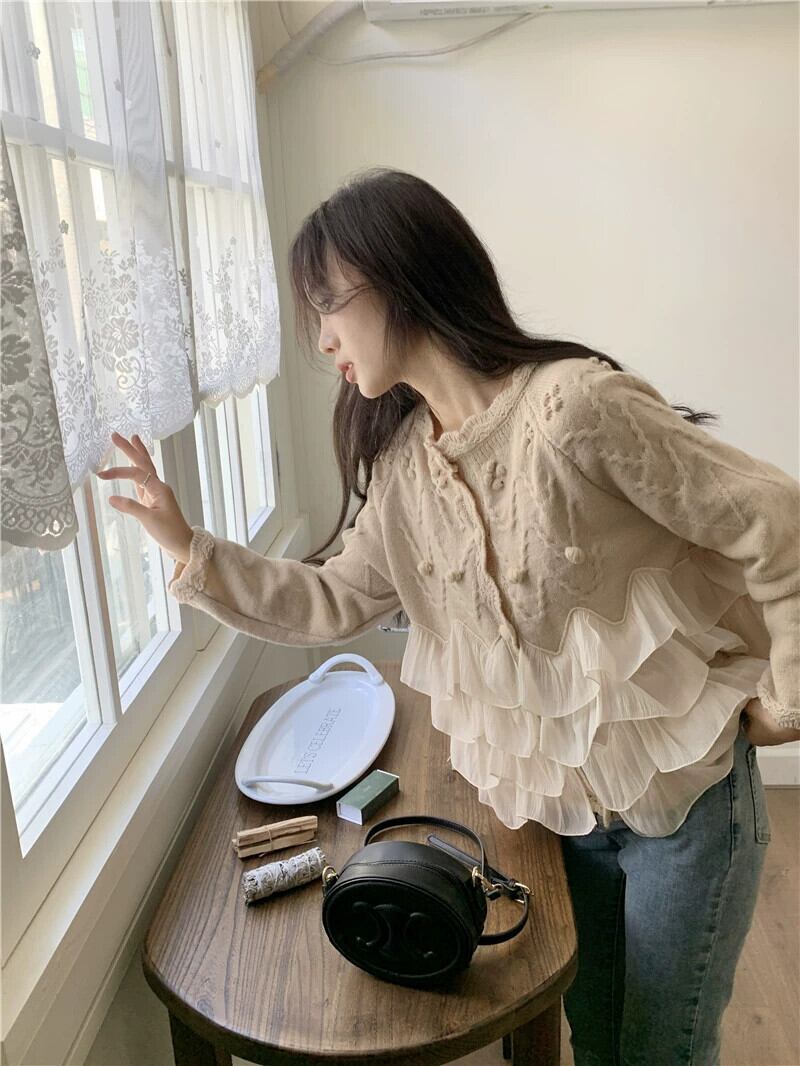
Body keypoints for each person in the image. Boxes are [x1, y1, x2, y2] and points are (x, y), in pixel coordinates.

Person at [96, 167, 800, 1066]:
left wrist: (786, 703)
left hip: (689, 802)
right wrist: (186, 545)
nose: (322, 339)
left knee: (665, 1048)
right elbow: (332, 599)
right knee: (596, 1038)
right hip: (561, 820)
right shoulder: (402, 471)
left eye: (329, 305)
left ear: (399, 278)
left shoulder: (573, 407)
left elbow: (774, 520)